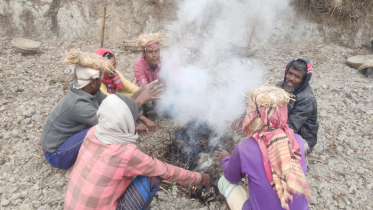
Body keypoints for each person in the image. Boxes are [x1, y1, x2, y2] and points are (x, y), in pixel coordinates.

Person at [64, 94, 212, 210]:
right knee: (154, 177)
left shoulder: (92, 132)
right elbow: (166, 170)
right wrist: (200, 178)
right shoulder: (125, 154)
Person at [40, 49, 163, 170]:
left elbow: (114, 105)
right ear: (93, 82)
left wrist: (139, 114)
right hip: (56, 154)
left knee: (107, 120)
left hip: (65, 141)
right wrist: (140, 100)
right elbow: (111, 121)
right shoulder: (77, 105)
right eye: (100, 78)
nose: (102, 79)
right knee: (100, 130)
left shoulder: (88, 90)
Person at [214, 85, 310, 210]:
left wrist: (227, 158)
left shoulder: (245, 148)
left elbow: (231, 177)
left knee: (224, 181)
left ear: (254, 113)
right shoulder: (297, 140)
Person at [231, 58, 319, 150]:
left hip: (301, 136)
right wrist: (246, 117)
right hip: (281, 125)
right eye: (290, 73)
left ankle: (302, 159)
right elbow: (264, 103)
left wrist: (256, 129)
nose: (291, 78)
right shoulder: (281, 85)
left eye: (297, 76)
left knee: (271, 149)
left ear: (304, 80)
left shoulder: (306, 99)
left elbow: (291, 127)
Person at [96, 48, 156, 133]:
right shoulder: (98, 83)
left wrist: (146, 93)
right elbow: (113, 103)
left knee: (145, 99)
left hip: (117, 103)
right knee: (137, 102)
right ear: (101, 67)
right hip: (108, 112)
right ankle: (131, 124)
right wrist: (140, 101)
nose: (112, 69)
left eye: (114, 64)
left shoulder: (115, 75)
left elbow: (130, 88)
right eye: (108, 67)